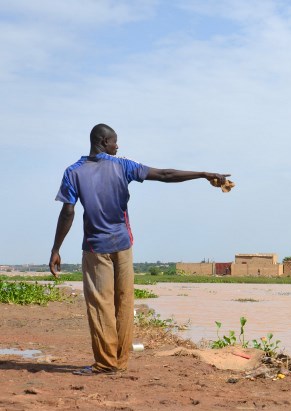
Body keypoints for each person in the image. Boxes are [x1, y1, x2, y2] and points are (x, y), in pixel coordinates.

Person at [49, 123, 230, 376]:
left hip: (95, 248)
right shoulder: (122, 165)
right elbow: (165, 175)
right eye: (114, 141)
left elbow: (68, 211)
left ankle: (106, 364)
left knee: (101, 306)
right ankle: (118, 362)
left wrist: (56, 249)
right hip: (123, 245)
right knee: (124, 303)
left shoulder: (73, 172)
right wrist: (202, 173)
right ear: (103, 142)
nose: (117, 146)